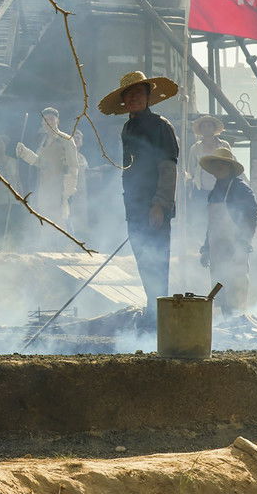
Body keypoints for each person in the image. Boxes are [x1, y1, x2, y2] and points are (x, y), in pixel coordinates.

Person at [99, 71, 180, 326]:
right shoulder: (128, 127)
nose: (133, 99)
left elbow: (168, 168)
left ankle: (159, 317)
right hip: (134, 206)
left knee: (157, 259)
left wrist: (159, 204)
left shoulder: (160, 126)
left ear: (148, 97)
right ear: (124, 101)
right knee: (143, 259)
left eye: (138, 94)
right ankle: (152, 310)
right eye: (129, 95)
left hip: (154, 205)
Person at [197, 148, 257, 318]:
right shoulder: (214, 192)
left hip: (236, 247)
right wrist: (206, 248)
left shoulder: (241, 190)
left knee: (236, 286)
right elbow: (211, 225)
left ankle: (238, 323)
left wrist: (243, 242)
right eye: (216, 164)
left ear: (230, 167)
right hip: (216, 248)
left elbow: (251, 218)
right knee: (219, 287)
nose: (219, 167)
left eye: (223, 164)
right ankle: (227, 321)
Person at [15, 107, 80, 245]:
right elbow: (40, 163)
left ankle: (69, 252)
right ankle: (47, 250)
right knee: (46, 220)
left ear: (58, 121)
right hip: (44, 187)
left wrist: (67, 192)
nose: (48, 122)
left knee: (62, 220)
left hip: (60, 187)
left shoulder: (66, 140)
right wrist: (24, 152)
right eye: (45, 119)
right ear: (42, 123)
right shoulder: (44, 142)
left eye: (51, 118)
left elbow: (73, 166)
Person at [185, 116, 229, 224]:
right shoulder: (195, 148)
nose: (206, 128)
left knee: (219, 219)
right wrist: (190, 187)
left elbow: (231, 164)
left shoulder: (224, 145)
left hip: (221, 189)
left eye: (209, 125)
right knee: (200, 220)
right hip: (201, 190)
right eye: (203, 126)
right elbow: (190, 170)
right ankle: (200, 240)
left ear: (214, 128)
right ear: (200, 130)